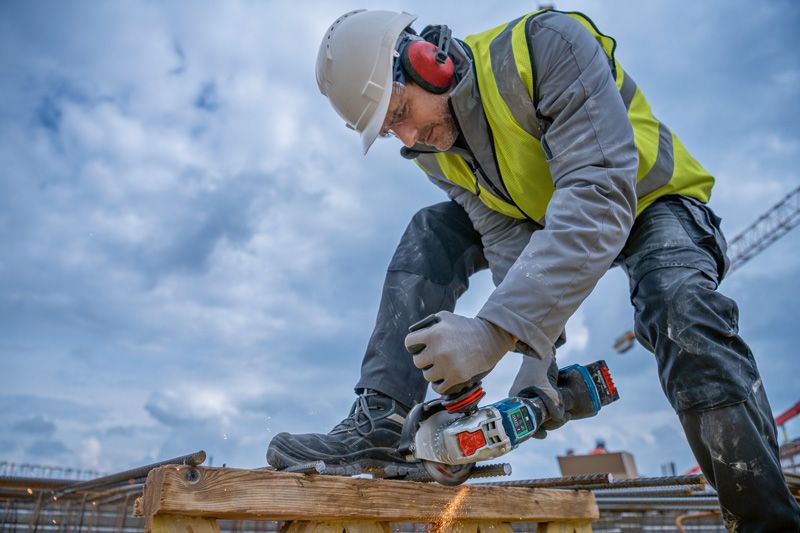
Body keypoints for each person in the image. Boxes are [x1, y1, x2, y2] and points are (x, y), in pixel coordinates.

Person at [267, 8, 800, 530]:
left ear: (429, 62)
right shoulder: (435, 150)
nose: (406, 140)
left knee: (680, 307)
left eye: (399, 112)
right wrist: (537, 358)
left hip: (648, 199)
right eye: (388, 132)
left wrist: (494, 332)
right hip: (548, 217)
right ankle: (382, 423)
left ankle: (765, 520)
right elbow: (505, 236)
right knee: (432, 232)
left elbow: (598, 196)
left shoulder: (545, 47)